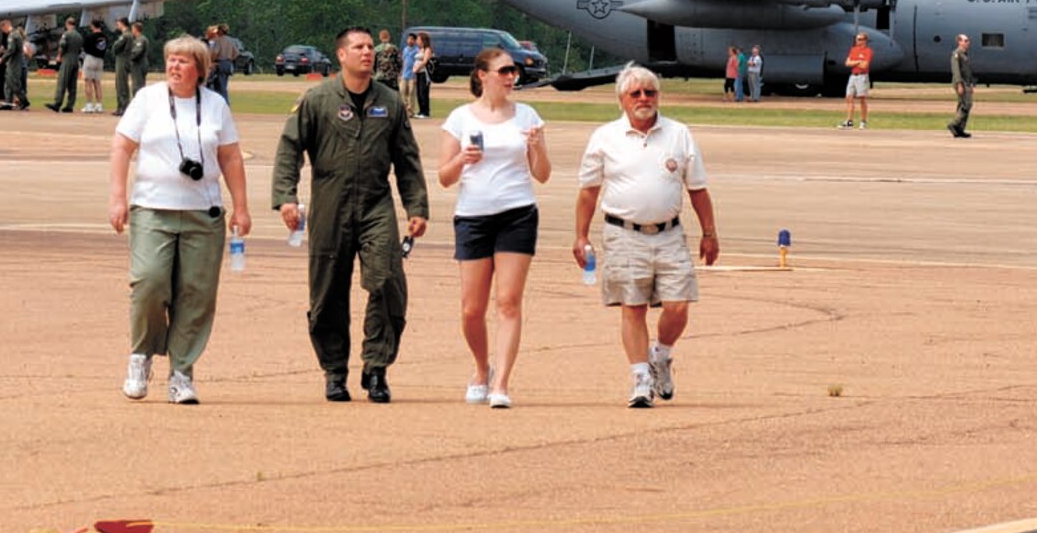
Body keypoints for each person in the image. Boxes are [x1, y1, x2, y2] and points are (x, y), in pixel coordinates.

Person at [272, 26, 430, 403]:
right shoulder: (317, 99)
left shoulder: (390, 102)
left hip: (376, 205)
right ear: (341, 55)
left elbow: (407, 160)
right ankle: (334, 371)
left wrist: (416, 207)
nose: (367, 52)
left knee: (388, 281)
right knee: (327, 291)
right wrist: (285, 197)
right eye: (358, 47)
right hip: (330, 204)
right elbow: (289, 148)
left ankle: (376, 368)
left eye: (370, 47)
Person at [110, 34, 250, 405]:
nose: (174, 66)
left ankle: (182, 372)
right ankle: (141, 356)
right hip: (153, 208)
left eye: (184, 61)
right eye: (171, 59)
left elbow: (231, 157)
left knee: (196, 294)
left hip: (203, 214)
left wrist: (241, 206)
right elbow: (122, 146)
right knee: (150, 282)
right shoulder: (148, 99)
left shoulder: (216, 105)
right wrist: (118, 196)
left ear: (200, 69)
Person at [572, 64, 720, 408]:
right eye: (635, 93)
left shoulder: (678, 133)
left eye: (649, 92)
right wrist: (581, 236)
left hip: (669, 233)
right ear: (622, 100)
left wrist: (709, 232)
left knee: (678, 305)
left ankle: (661, 355)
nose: (643, 99)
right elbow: (588, 191)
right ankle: (640, 379)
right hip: (623, 233)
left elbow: (697, 189)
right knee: (633, 306)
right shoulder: (605, 137)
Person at [438, 47, 550, 408]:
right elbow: (443, 177)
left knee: (508, 302)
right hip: (473, 215)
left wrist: (536, 148)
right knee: (472, 309)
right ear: (482, 75)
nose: (510, 77)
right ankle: (480, 368)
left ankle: (501, 383)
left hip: (516, 212)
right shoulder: (460, 118)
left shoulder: (528, 116)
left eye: (513, 71)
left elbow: (543, 175)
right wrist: (461, 159)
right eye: (503, 71)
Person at [47, 17, 83, 112]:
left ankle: (57, 103)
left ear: (68, 24)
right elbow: (80, 50)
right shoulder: (79, 36)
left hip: (67, 58)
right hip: (76, 59)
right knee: (72, 84)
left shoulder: (66, 34)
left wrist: (59, 55)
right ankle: (70, 105)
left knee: (62, 81)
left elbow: (62, 45)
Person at [842, 31, 873, 127]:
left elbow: (864, 65)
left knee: (862, 98)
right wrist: (858, 61)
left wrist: (854, 62)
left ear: (865, 41)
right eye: (856, 39)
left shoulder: (868, 51)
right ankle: (849, 121)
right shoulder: (853, 50)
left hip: (862, 76)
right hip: (853, 75)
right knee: (849, 97)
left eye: (859, 39)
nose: (857, 41)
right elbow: (847, 63)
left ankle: (863, 121)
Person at [948, 33, 974, 138]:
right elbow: (956, 71)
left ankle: (959, 129)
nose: (968, 42)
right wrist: (959, 84)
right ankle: (954, 124)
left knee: (961, 105)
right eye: (965, 40)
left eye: (968, 40)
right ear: (959, 42)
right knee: (967, 104)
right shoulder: (956, 54)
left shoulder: (964, 54)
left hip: (966, 82)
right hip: (961, 82)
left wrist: (971, 83)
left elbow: (967, 71)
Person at [0, 18, 29, 109]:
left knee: (14, 83)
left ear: (6, 26)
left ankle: (24, 101)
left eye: (2, 29)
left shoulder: (13, 36)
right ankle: (8, 103)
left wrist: (2, 58)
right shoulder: (15, 35)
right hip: (13, 62)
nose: (3, 31)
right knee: (8, 82)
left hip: (14, 63)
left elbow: (11, 50)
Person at [82, 19, 110, 113]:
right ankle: (99, 105)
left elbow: (85, 48)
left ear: (93, 26)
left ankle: (89, 104)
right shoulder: (104, 37)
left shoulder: (91, 36)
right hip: (100, 60)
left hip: (91, 58)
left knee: (88, 82)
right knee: (97, 83)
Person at [110, 19, 136, 115]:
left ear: (123, 24)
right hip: (125, 60)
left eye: (118, 23)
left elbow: (116, 47)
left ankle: (123, 107)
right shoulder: (129, 35)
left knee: (121, 84)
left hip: (122, 60)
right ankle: (122, 106)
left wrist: (115, 48)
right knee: (121, 84)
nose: (117, 24)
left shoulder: (125, 35)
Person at [124, 19, 151, 112]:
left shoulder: (141, 39)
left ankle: (139, 107)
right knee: (138, 85)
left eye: (133, 29)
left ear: (136, 29)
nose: (132, 31)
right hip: (138, 64)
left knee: (137, 86)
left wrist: (129, 57)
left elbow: (137, 52)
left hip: (139, 64)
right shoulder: (139, 39)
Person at [206, 24, 236, 101]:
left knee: (220, 87)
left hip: (220, 63)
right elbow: (236, 53)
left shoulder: (219, 40)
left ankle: (224, 105)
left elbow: (215, 52)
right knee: (224, 85)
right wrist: (229, 59)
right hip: (228, 64)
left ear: (221, 31)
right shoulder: (231, 40)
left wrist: (210, 61)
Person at [411, 31, 435, 118]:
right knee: (418, 92)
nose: (417, 41)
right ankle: (421, 111)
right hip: (418, 74)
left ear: (423, 40)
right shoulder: (419, 50)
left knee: (423, 92)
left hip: (424, 74)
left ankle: (426, 112)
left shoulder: (427, 49)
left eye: (418, 39)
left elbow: (425, 61)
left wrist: (417, 68)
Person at [399, 32, 420, 116]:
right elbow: (403, 61)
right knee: (402, 91)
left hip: (412, 75)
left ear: (414, 41)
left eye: (411, 39)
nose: (409, 41)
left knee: (411, 92)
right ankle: (404, 109)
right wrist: (400, 73)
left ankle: (411, 111)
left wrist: (416, 75)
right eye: (408, 39)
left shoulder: (417, 50)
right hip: (404, 74)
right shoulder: (405, 49)